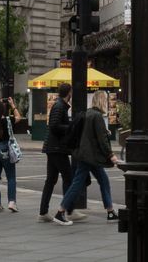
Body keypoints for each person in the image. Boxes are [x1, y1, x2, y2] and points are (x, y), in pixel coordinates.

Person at [52, 91, 118, 226]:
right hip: (89, 156)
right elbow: (101, 140)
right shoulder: (97, 116)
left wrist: (105, 132)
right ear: (101, 101)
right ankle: (60, 211)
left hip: (85, 154)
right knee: (77, 183)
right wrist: (111, 155)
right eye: (105, 100)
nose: (106, 103)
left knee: (103, 180)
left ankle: (110, 211)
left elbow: (90, 133)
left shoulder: (88, 113)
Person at [39, 84, 74, 222]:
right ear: (69, 92)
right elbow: (54, 126)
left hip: (53, 147)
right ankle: (63, 211)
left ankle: (43, 212)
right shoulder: (60, 106)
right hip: (57, 148)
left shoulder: (59, 105)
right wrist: (70, 127)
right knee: (68, 179)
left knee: (51, 180)